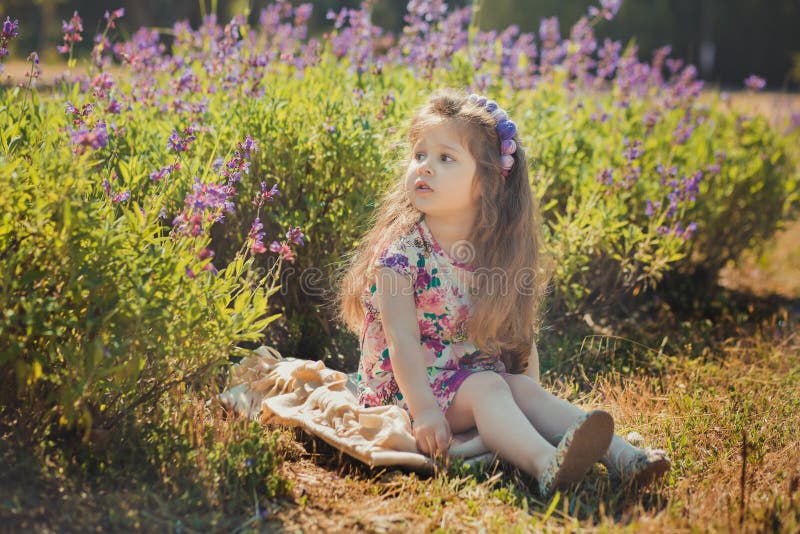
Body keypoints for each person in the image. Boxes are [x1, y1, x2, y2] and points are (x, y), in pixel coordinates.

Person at [336, 88, 670, 496]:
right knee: (488, 388)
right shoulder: (399, 254)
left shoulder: (493, 252)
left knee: (518, 387)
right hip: (406, 387)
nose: (424, 168)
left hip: (466, 375)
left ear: (486, 184)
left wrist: (526, 395)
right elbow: (401, 339)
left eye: (446, 158)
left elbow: (519, 335)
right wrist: (424, 412)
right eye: (419, 155)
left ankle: (622, 456)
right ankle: (546, 464)